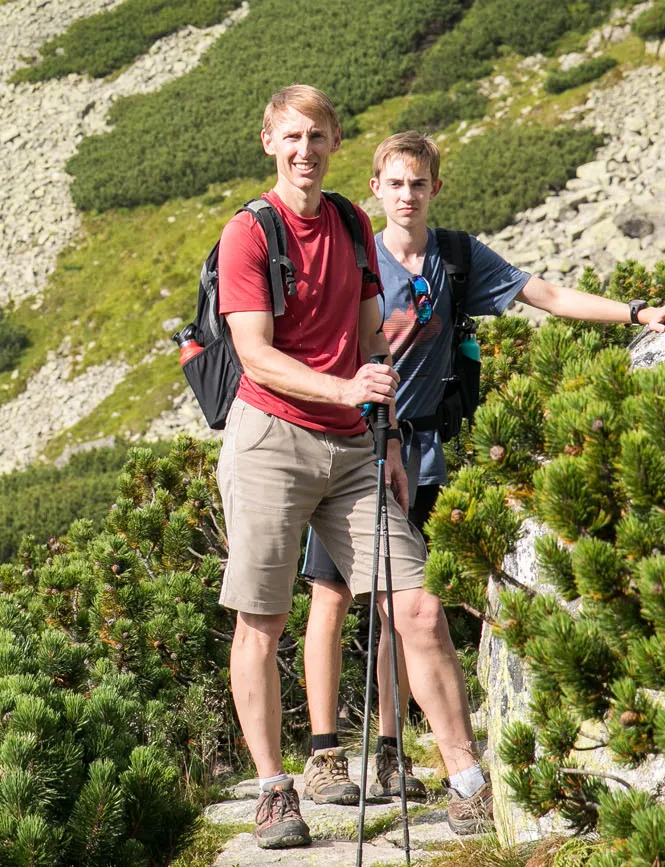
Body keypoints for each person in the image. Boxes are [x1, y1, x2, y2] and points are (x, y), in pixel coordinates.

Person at [298, 131, 665, 827]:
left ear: (435, 189)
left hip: (424, 454)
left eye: (418, 183)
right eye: (394, 183)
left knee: (406, 603)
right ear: (376, 188)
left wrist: (637, 312)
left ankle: (392, 749)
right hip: (355, 447)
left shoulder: (456, 258)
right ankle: (325, 753)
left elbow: (545, 293)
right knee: (330, 594)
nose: (407, 195)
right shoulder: (358, 258)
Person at [216, 89, 489, 850]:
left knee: (420, 608)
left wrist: (392, 439)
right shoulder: (247, 234)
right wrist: (343, 389)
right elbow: (255, 353)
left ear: (336, 142)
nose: (306, 149)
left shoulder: (348, 223)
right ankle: (276, 789)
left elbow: (372, 334)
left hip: (355, 447)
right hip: (271, 437)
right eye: (292, 136)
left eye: (319, 136)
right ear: (270, 139)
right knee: (262, 621)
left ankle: (466, 778)